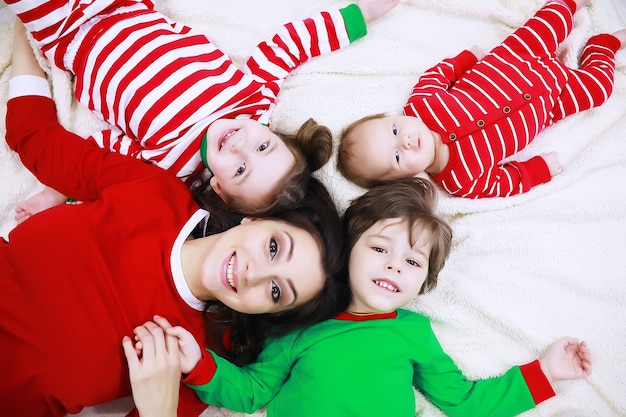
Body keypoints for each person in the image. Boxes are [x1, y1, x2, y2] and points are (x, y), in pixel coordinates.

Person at [0, 19, 349, 417]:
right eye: (273, 247)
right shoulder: (153, 190)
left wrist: (159, 410)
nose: (255, 274)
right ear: (254, 219)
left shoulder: (195, 359)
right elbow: (36, 140)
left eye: (275, 293)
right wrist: (27, 39)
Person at [126, 177, 593, 417]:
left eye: (413, 263)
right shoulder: (305, 323)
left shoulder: (414, 334)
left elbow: (465, 401)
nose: (395, 265)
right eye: (380, 248)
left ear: (423, 284)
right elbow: (252, 392)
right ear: (347, 251)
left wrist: (547, 373)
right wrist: (201, 365)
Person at [7, 0, 399, 224]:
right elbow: (289, 45)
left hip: (68, 34)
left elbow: (100, 157)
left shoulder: (171, 166)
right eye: (263, 147)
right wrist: (361, 15)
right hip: (127, 7)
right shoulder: (254, 99)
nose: (240, 147)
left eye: (241, 170)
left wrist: (56, 193)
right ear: (273, 132)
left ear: (220, 189)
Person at [336, 0, 626, 198]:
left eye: (395, 130)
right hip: (552, 101)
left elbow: (438, 75)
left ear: (396, 118)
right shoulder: (460, 181)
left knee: (549, 21)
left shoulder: (421, 106)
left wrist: (468, 58)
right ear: (403, 180)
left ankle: (569, 4)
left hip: (513, 58)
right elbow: (506, 182)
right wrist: (540, 169)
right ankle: (604, 47)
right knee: (598, 89)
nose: (406, 141)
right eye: (397, 156)